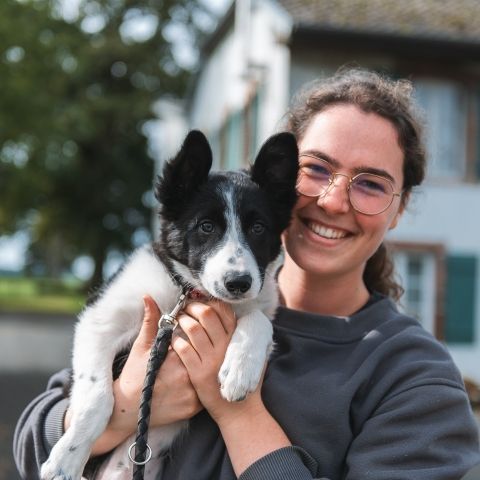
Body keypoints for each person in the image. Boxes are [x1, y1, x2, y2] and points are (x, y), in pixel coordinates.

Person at [14, 69, 480, 480]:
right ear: (283, 183)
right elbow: (32, 445)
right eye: (317, 169)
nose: (335, 202)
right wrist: (122, 411)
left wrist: (238, 413)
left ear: (399, 209)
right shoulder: (176, 292)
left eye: (372, 183)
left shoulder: (415, 378)